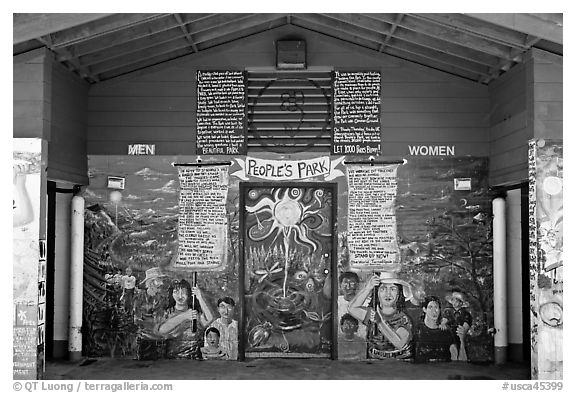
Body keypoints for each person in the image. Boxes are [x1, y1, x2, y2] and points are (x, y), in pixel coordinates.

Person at [348, 271, 413, 360]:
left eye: (393, 289)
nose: (388, 293)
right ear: (377, 293)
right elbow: (352, 308)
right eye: (383, 288)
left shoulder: (403, 319)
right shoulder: (371, 313)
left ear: (398, 294)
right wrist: (368, 288)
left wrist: (379, 322)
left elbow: (399, 344)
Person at [157, 279, 214, 359]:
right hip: (172, 358)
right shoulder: (168, 312)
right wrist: (184, 316)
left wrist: (199, 297)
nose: (180, 296)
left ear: (189, 294)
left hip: (194, 358)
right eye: (176, 292)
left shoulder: (194, 312)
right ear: (172, 294)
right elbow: (162, 330)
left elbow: (209, 319)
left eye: (183, 292)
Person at [413, 296, 459, 363]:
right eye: (430, 307)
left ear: (440, 310)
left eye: (436, 307)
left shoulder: (445, 331)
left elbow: (454, 355)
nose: (434, 311)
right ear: (424, 309)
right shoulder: (418, 329)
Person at [440, 289, 472, 361]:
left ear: (461, 303)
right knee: (452, 349)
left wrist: (463, 331)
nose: (454, 302)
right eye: (453, 300)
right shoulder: (448, 312)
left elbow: (466, 324)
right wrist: (443, 323)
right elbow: (445, 320)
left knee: (461, 348)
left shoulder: (465, 314)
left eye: (457, 300)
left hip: (460, 333)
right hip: (450, 334)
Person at [337, 271, 367, 338]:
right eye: (345, 283)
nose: (348, 287)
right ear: (340, 285)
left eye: (352, 283)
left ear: (357, 285)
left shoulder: (366, 303)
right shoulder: (336, 302)